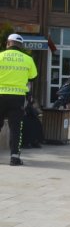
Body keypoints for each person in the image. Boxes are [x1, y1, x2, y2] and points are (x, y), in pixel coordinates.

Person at [0, 34, 38, 166]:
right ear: (20, 45)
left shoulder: (0, 56)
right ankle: (14, 157)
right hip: (17, 98)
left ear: (8, 43)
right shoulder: (28, 59)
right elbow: (33, 77)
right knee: (15, 128)